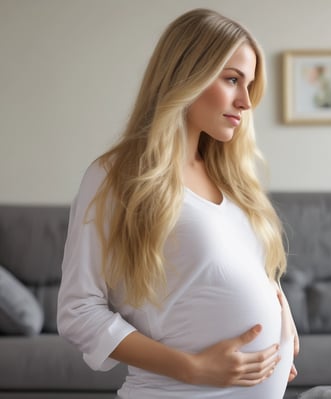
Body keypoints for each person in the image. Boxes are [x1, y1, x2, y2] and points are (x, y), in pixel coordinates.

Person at [57, 8, 299, 399]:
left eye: (249, 85)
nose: (245, 102)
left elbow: (242, 268)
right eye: (232, 79)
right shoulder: (116, 176)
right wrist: (193, 369)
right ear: (187, 75)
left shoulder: (231, 178)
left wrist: (283, 320)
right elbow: (78, 312)